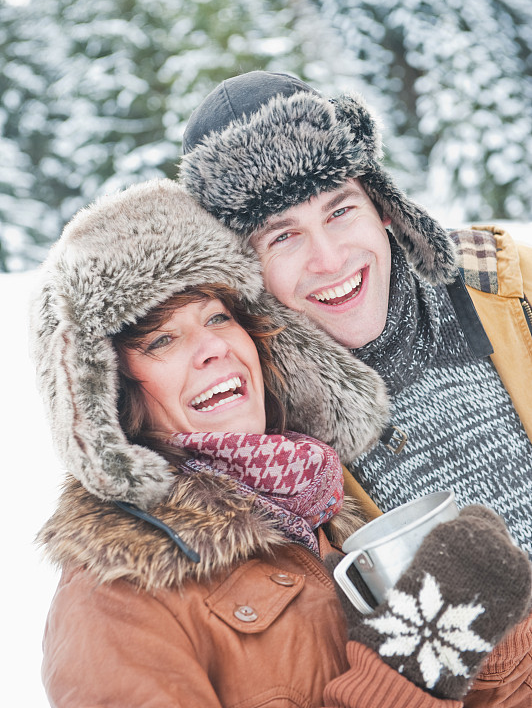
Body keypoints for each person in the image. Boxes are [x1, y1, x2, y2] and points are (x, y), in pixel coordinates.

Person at [31, 179, 531, 708]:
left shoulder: (323, 514)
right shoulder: (117, 597)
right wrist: (409, 667)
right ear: (107, 398)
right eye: (161, 340)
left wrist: (490, 639)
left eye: (219, 316)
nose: (212, 349)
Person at [179, 70, 532, 558]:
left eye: (339, 211)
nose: (328, 260)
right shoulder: (263, 420)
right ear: (247, 272)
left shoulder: (509, 285)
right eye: (283, 236)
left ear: (381, 204)